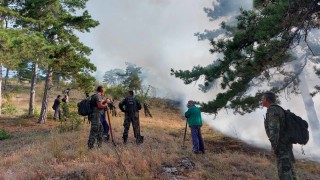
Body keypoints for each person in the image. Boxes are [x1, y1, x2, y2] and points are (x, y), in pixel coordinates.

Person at [262, 91, 296, 179]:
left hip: (282, 146)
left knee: (284, 173)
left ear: (266, 99)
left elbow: (274, 130)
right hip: (286, 144)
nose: (261, 101)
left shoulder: (273, 110)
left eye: (262, 99)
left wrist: (274, 147)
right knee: (289, 171)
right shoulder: (278, 109)